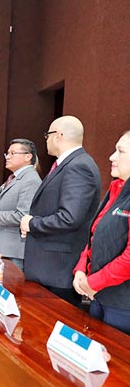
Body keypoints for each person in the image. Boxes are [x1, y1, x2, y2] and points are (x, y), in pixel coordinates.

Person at [20, 116, 101, 306]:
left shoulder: (78, 167)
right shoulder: (66, 164)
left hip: (57, 269)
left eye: (47, 135)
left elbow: (69, 218)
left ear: (59, 136)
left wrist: (32, 223)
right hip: (50, 267)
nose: (46, 140)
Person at [73, 130, 130, 334]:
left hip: (123, 305)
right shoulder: (116, 189)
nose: (111, 157)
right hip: (100, 296)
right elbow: (94, 236)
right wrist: (81, 269)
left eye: (120, 151)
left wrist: (93, 282)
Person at [0, 139, 42, 271]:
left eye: (12, 153)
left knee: (10, 289)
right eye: (7, 153)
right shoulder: (16, 178)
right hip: (4, 247)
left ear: (28, 156)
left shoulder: (30, 180)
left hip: (14, 250)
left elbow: (24, 216)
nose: (7, 157)